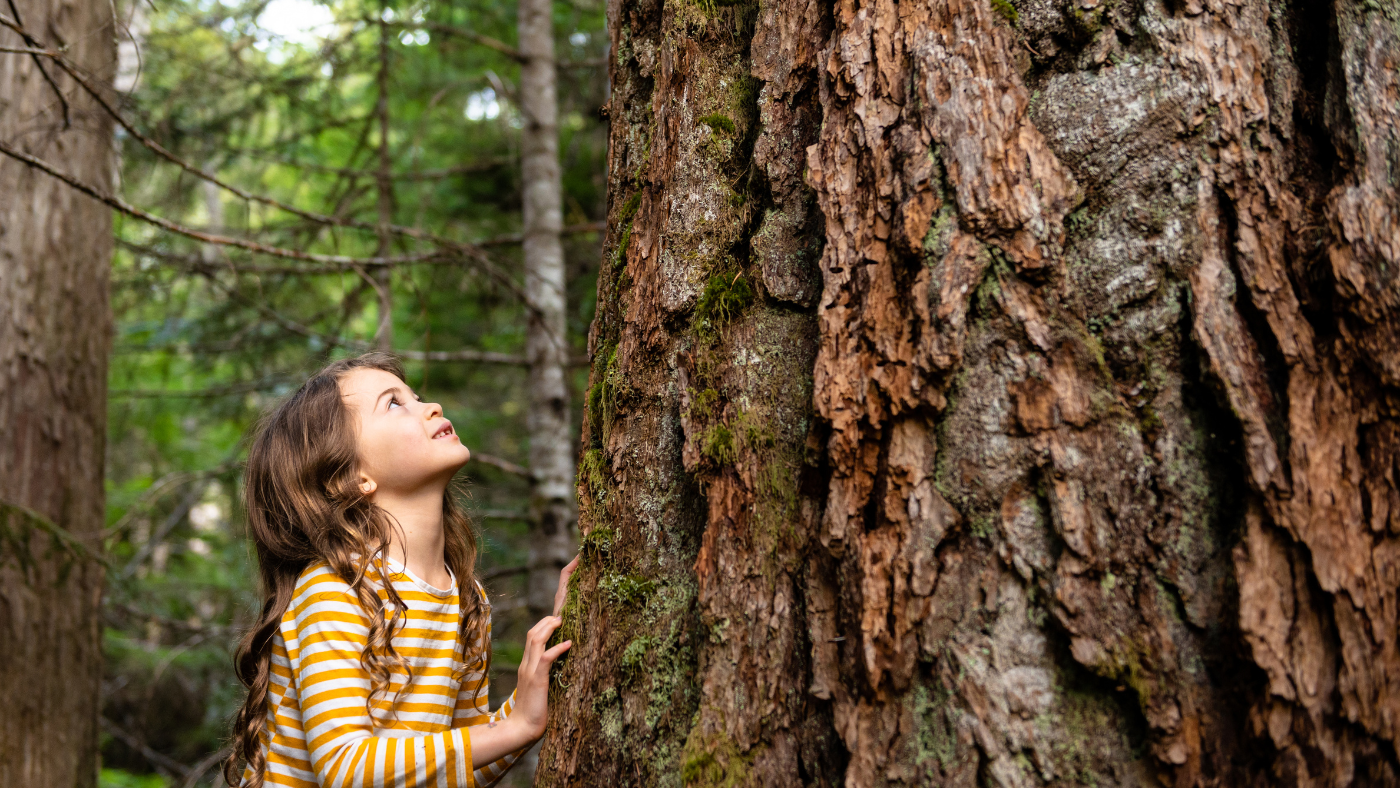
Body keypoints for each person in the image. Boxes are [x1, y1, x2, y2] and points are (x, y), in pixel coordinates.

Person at [222, 352, 576, 788]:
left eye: (417, 396)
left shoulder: (467, 598)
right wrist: (513, 727)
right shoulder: (334, 591)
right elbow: (346, 768)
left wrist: (549, 660)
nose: (432, 407)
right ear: (351, 476)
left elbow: (459, 765)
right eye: (394, 403)